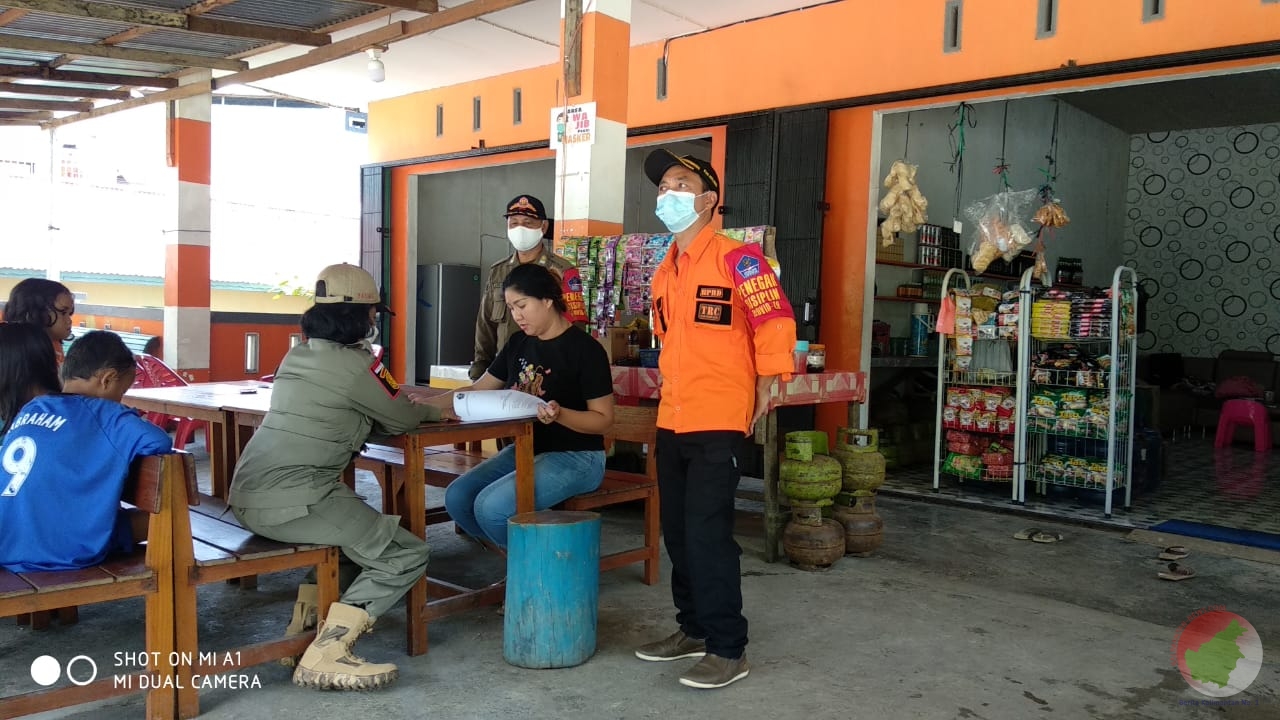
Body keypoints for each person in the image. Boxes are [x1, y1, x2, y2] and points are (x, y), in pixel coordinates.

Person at [229, 263, 445, 692]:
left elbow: (358, 410)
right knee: (403, 554)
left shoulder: (297, 354)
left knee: (347, 545)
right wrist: (441, 406)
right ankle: (327, 652)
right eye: (372, 314)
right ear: (359, 317)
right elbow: (401, 416)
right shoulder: (360, 367)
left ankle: (301, 634)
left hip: (249, 494)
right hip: (297, 500)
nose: (374, 321)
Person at [633, 149, 797, 690]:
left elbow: (775, 322)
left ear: (708, 199)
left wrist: (767, 388)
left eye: (680, 184)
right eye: (661, 187)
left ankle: (728, 648)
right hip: (673, 415)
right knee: (677, 532)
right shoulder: (665, 269)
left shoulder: (739, 258)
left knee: (707, 535)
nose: (667, 194)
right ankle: (694, 629)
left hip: (718, 418)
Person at [441, 263, 613, 548]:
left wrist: (560, 415)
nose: (516, 315)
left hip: (578, 457)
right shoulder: (518, 343)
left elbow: (604, 419)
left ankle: (540, 570)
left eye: (522, 305)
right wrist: (424, 403)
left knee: (491, 507)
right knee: (457, 497)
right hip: (524, 449)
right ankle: (522, 561)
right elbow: (477, 390)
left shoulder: (585, 350)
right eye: (510, 308)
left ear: (547, 300)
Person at [0, 329, 172, 573]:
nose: (120, 399)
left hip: (9, 541)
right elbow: (159, 442)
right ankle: (170, 602)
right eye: (121, 391)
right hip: (62, 548)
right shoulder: (107, 415)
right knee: (167, 520)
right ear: (107, 379)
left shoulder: (32, 408)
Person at [470, 194, 587, 382]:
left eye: (528, 223)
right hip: (502, 373)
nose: (520, 229)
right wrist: (480, 369)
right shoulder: (498, 271)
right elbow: (485, 325)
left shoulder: (563, 270)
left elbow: (576, 328)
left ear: (544, 227)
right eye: (513, 223)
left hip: (546, 374)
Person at [3, 278, 75, 365]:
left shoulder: (54, 344)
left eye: (69, 313)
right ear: (38, 313)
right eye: (63, 313)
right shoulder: (22, 355)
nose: (69, 321)